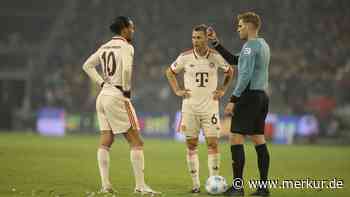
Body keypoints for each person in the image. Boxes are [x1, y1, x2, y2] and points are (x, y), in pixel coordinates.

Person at [82, 16, 160, 195]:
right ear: (124, 29)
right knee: (136, 142)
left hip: (103, 96)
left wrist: (101, 83)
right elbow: (125, 69)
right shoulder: (127, 47)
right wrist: (126, 90)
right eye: (132, 27)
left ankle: (106, 185)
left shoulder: (104, 46)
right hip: (117, 96)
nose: (133, 30)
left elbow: (87, 65)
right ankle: (140, 186)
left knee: (106, 140)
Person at [208, 12, 271, 196]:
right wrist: (216, 43)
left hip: (249, 96)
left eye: (241, 25)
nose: (238, 28)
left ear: (250, 26)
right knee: (259, 139)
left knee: (235, 137)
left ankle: (237, 187)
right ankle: (263, 188)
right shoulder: (263, 45)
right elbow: (235, 60)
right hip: (261, 96)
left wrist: (233, 99)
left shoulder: (250, 46)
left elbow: (244, 75)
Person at [165, 24, 234, 193]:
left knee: (212, 143)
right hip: (189, 108)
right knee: (191, 144)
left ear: (206, 38)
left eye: (199, 37)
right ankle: (195, 184)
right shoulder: (185, 57)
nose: (195, 41)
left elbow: (230, 71)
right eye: (193, 37)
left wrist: (223, 90)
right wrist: (177, 90)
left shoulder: (215, 57)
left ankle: (213, 182)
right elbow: (170, 72)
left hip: (210, 107)